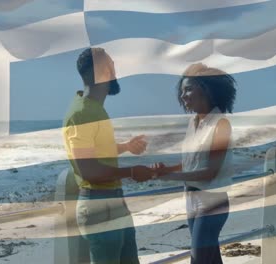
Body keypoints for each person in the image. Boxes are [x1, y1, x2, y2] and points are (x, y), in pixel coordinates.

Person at [62, 47, 155, 264]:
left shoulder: (95, 110)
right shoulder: (82, 113)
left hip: (113, 201)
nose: (114, 72)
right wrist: (132, 171)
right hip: (98, 204)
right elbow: (89, 170)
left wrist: (125, 146)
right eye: (110, 66)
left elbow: (97, 151)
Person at [137, 63, 236, 264]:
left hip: (212, 201)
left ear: (207, 89)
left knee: (198, 260)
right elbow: (190, 162)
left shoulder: (221, 124)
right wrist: (167, 169)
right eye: (182, 91)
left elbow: (210, 172)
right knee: (211, 259)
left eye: (189, 89)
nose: (183, 96)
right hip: (191, 198)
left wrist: (168, 176)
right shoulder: (194, 122)